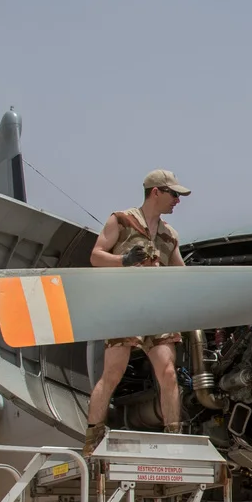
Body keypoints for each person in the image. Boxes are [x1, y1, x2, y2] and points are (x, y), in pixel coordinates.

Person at [84, 169, 192, 453]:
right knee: (113, 373)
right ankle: (92, 438)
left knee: (168, 373)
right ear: (156, 192)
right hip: (126, 307)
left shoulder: (170, 236)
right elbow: (96, 256)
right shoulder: (121, 220)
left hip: (158, 311)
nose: (177, 201)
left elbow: (182, 274)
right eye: (174, 194)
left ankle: (173, 439)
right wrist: (124, 260)